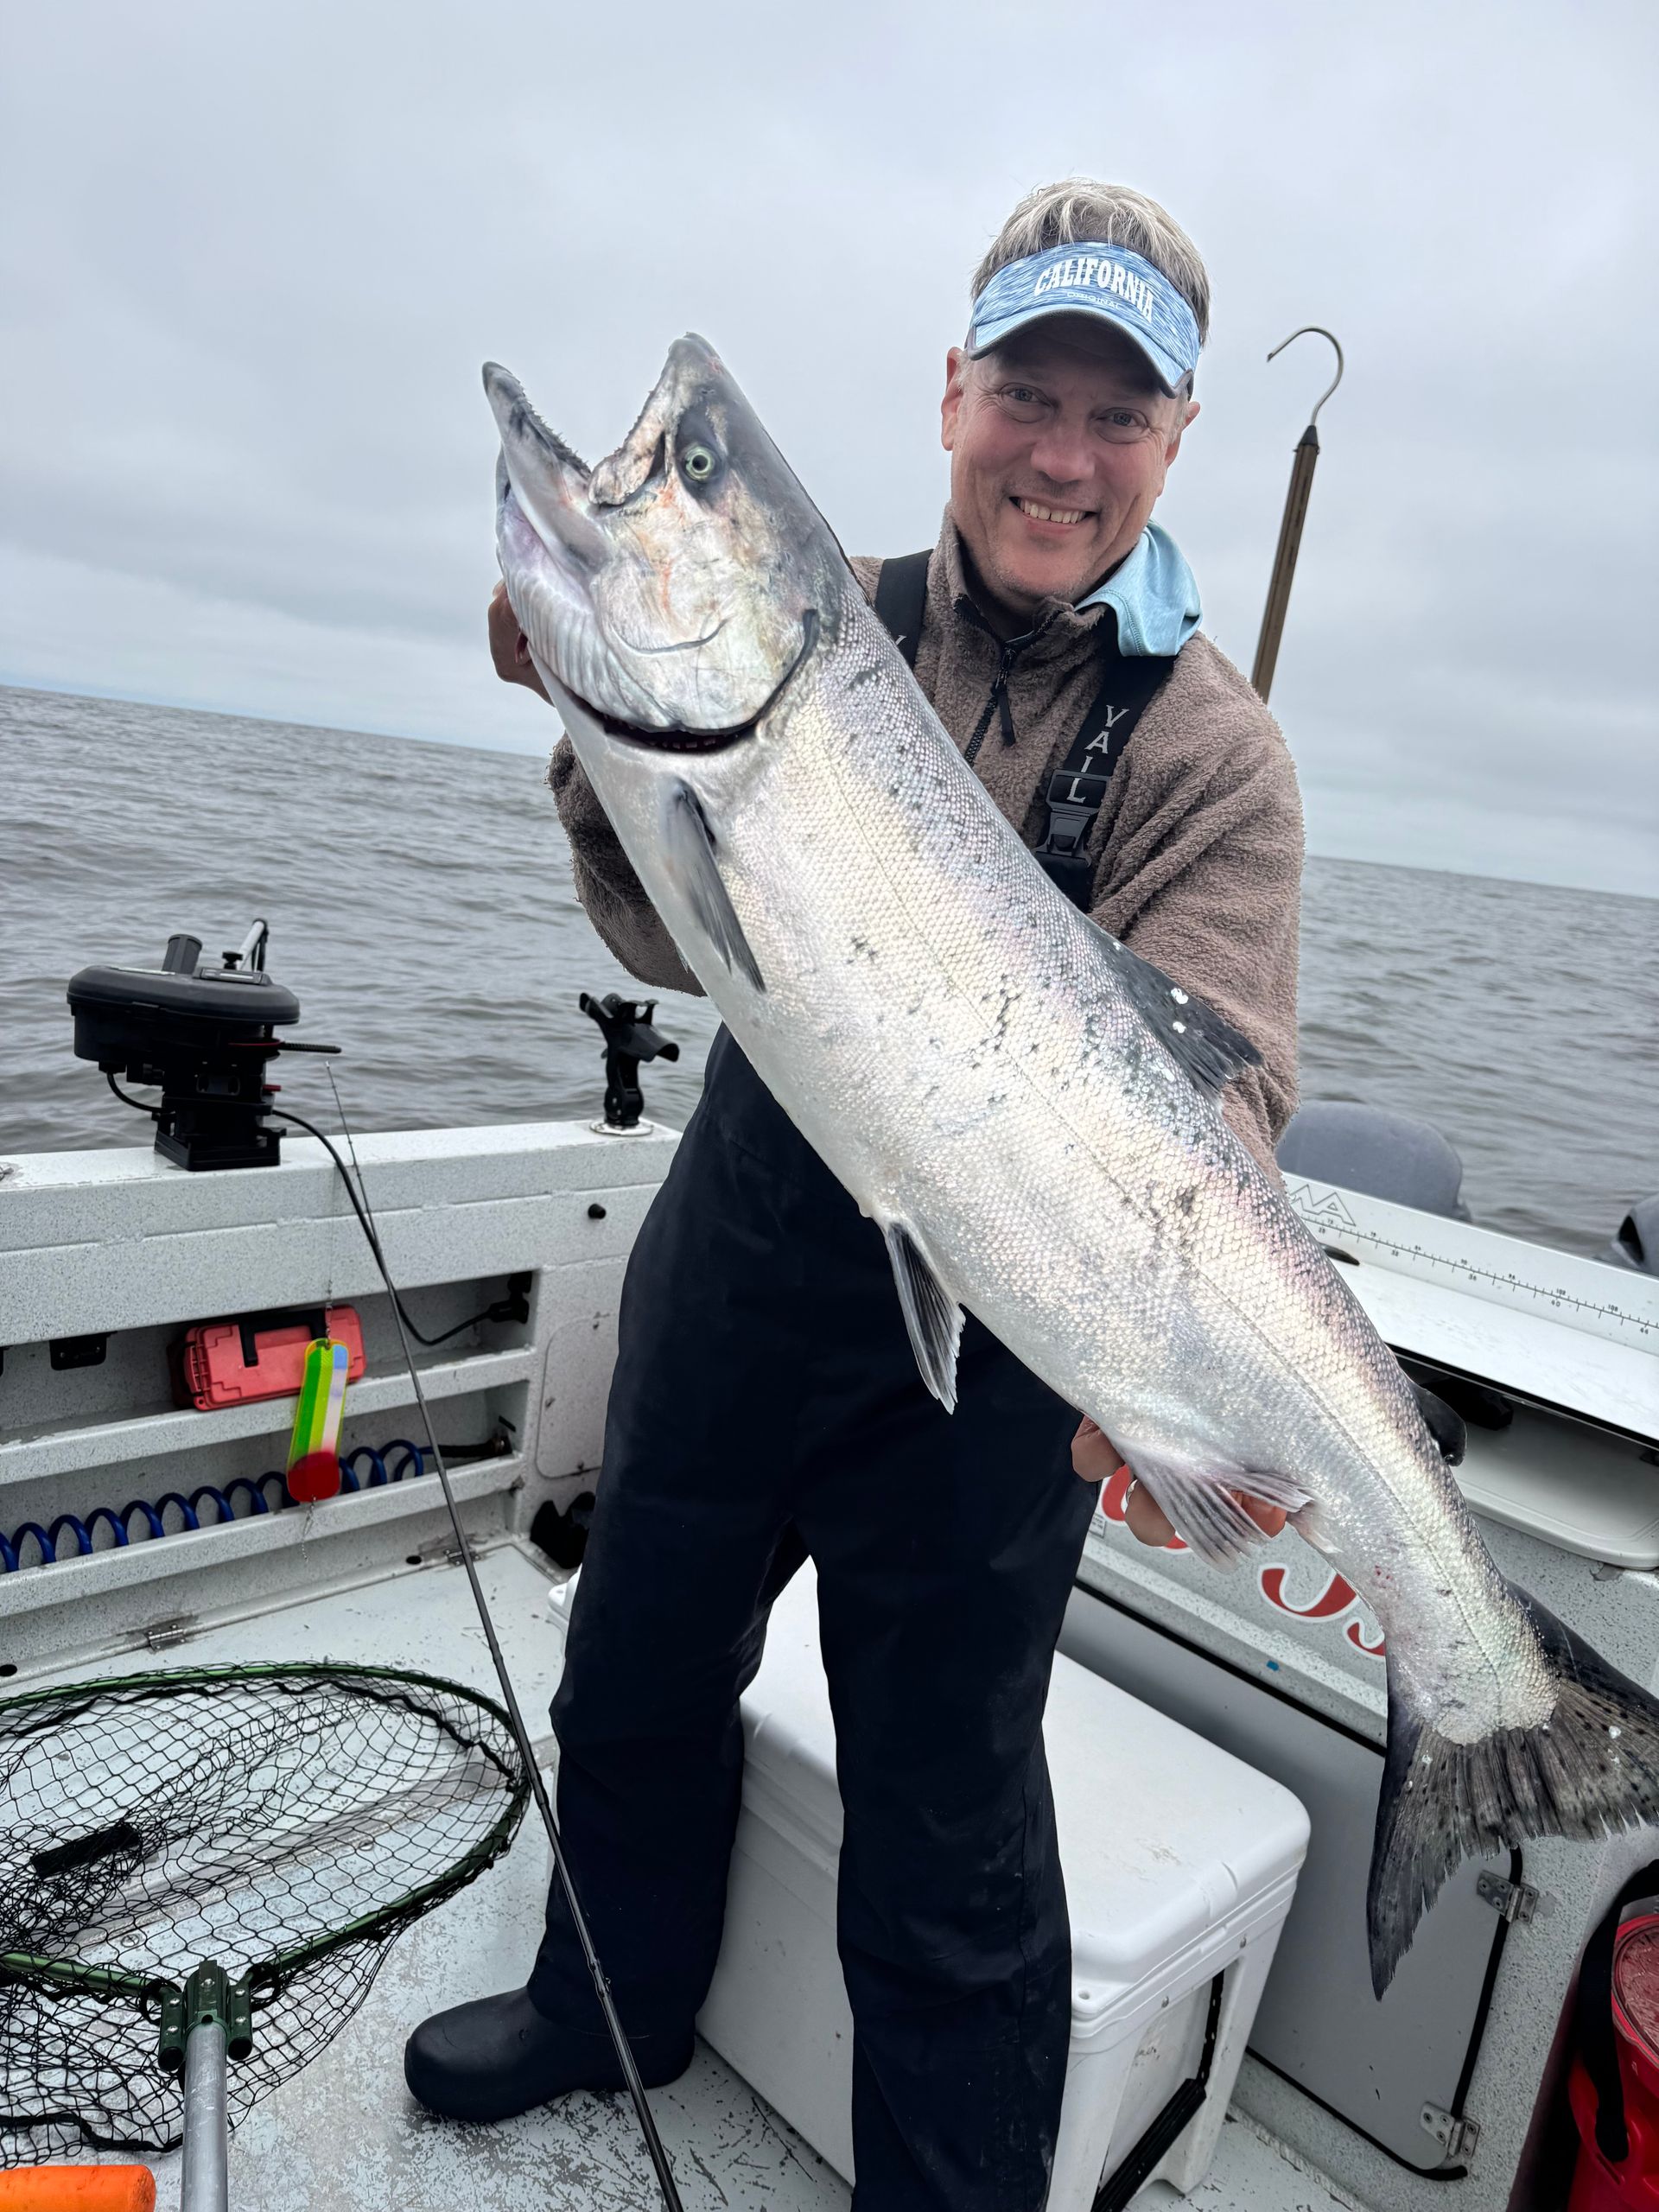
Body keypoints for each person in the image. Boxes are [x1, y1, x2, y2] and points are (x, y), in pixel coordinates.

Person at [406, 177, 1301, 2209]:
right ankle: (607, 2002)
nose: (1061, 455)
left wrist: (1163, 1344)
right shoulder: (826, 609)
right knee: (636, 1658)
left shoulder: (1214, 755)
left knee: (947, 1812)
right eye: (1028, 395)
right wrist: (591, 718)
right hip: (748, 1247)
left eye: (1117, 414)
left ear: (1172, 444)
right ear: (952, 393)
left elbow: (1225, 1080)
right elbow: (675, 940)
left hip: (1003, 1329)